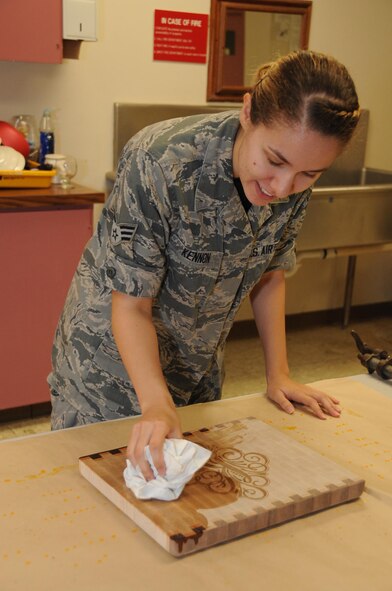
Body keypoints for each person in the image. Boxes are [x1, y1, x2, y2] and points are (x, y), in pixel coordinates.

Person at [48, 50, 360, 480]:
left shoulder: (290, 178)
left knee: (184, 513)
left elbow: (270, 273)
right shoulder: (160, 161)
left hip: (195, 370)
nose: (284, 187)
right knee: (91, 507)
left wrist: (279, 374)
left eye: (310, 174)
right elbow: (131, 305)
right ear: (248, 112)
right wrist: (155, 403)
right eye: (274, 161)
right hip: (107, 372)